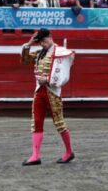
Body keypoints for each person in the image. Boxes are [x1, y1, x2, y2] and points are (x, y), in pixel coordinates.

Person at [20, 28, 76, 165]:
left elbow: (64, 73)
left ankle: (69, 152)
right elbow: (25, 60)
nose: (42, 44)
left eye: (44, 41)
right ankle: (35, 155)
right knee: (36, 122)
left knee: (59, 123)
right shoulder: (40, 53)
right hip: (39, 91)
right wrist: (29, 43)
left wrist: (49, 80)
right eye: (40, 42)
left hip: (53, 92)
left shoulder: (61, 52)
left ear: (50, 37)